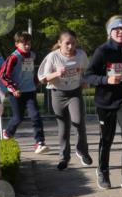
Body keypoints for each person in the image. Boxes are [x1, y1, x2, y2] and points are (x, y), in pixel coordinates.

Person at [85, 15, 122, 195]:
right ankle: (103, 171)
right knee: (106, 139)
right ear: (110, 32)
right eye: (117, 29)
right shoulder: (102, 51)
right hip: (105, 101)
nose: (121, 32)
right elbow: (88, 75)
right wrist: (106, 79)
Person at [38, 30, 92, 170]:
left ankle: (82, 151)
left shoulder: (81, 55)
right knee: (63, 128)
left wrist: (85, 80)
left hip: (75, 93)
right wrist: (57, 73)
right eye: (67, 43)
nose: (70, 46)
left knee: (79, 122)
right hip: (58, 94)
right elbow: (43, 79)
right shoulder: (53, 57)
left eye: (73, 43)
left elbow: (88, 70)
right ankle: (64, 158)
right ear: (59, 43)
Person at [0, 31, 47, 154]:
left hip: (30, 91)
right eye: (24, 44)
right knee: (18, 118)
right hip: (16, 93)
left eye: (29, 43)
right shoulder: (13, 57)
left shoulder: (32, 55)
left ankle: (40, 142)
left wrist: (37, 81)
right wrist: (13, 88)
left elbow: (31, 72)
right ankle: (8, 132)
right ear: (17, 44)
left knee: (35, 116)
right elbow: (3, 75)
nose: (27, 46)